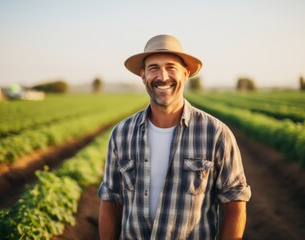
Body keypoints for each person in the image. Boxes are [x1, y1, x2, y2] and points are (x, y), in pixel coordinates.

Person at [98, 34, 251, 240]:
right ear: (143, 75)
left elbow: (235, 206)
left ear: (185, 74)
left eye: (171, 67)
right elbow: (111, 201)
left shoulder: (215, 134)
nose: (162, 76)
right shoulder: (121, 134)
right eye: (153, 68)